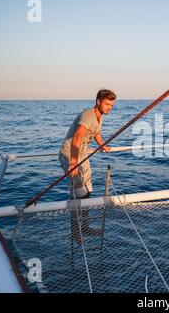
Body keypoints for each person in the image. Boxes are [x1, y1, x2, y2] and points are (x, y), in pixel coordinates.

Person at [59, 89, 116, 243]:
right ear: (98, 102)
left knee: (87, 191)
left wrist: (102, 144)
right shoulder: (88, 115)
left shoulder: (99, 117)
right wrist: (73, 162)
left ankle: (85, 226)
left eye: (111, 105)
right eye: (107, 104)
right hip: (70, 155)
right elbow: (77, 137)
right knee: (79, 194)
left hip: (83, 155)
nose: (109, 107)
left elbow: (96, 133)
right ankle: (76, 233)